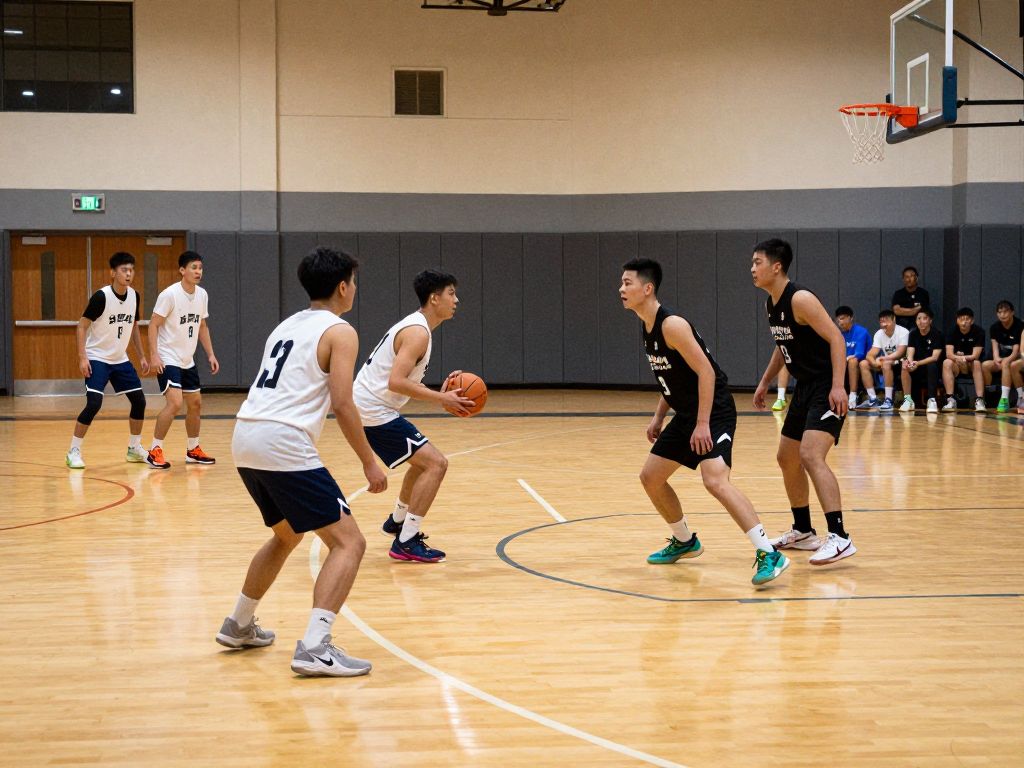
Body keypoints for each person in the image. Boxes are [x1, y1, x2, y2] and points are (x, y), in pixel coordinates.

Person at [216, 246, 388, 678]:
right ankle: (315, 647)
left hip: (246, 435)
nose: (355, 289)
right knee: (349, 543)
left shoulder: (286, 325)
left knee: (287, 534)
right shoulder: (341, 331)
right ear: (343, 286)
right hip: (283, 441)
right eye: (354, 282)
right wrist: (369, 461)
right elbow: (343, 403)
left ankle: (238, 623)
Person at [619, 259, 788, 585]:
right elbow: (672, 378)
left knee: (715, 480)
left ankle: (769, 553)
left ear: (647, 288)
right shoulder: (646, 325)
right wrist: (659, 416)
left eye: (628, 283)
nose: (621, 289)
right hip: (688, 414)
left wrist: (702, 424)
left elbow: (706, 373)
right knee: (651, 477)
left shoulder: (672, 325)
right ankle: (685, 541)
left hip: (714, 411)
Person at [353, 269, 476, 564]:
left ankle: (397, 521)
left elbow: (400, 380)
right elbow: (396, 381)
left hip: (371, 406)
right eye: (451, 293)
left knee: (422, 462)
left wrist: (442, 392)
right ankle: (406, 542)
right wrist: (442, 399)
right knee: (436, 464)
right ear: (434, 298)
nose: (456, 300)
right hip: (372, 410)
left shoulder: (418, 328)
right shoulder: (418, 333)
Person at [751, 238, 856, 566]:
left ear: (776, 266)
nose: (752, 269)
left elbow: (836, 338)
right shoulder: (771, 303)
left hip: (827, 384)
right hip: (805, 386)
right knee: (787, 457)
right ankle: (804, 531)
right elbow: (782, 345)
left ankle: (839, 536)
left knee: (811, 454)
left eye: (757, 262)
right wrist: (766, 381)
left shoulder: (800, 298)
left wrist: (838, 386)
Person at [65, 252, 150, 469]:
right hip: (97, 358)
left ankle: (134, 448)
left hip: (120, 359)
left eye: (131, 270)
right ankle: (73, 450)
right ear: (113, 273)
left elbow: (134, 327)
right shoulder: (101, 297)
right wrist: (82, 357)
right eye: (124, 270)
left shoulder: (134, 296)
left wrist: (141, 355)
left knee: (139, 401)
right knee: (94, 403)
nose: (129, 273)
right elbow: (81, 326)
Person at [146, 250, 219, 469]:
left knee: (195, 403)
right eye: (194, 267)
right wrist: (154, 355)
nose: (198, 271)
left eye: (200, 268)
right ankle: (155, 450)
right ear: (182, 270)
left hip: (187, 359)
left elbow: (202, 326)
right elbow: (153, 325)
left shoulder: (202, 295)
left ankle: (193, 450)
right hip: (168, 357)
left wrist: (210, 354)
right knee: (175, 403)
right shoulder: (169, 295)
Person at [857, 309, 909, 411]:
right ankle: (873, 399)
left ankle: (888, 400)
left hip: (901, 363)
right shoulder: (879, 333)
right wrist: (874, 362)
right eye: (881, 322)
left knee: (886, 363)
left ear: (894, 319)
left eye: (886, 321)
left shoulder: (903, 332)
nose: (883, 324)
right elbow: (870, 354)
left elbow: (900, 353)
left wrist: (884, 359)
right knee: (863, 363)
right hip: (886, 363)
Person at [981, 300, 1024, 413]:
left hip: (1016, 358)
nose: (1002, 315)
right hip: (1002, 358)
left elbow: (1016, 352)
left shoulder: (1019, 326)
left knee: (1006, 364)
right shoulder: (994, 328)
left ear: (1012, 312)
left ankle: (1004, 399)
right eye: (1000, 312)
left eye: (1005, 312)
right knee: (985, 365)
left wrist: (1005, 361)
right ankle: (989, 397)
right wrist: (996, 358)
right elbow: (995, 347)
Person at [899, 308, 944, 413]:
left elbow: (934, 357)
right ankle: (908, 400)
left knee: (931, 365)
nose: (921, 321)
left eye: (924, 318)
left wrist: (918, 363)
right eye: (919, 318)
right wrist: (910, 362)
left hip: (933, 368)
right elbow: (910, 352)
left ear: (930, 320)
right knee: (904, 365)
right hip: (917, 366)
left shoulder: (937, 334)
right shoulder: (913, 333)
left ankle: (931, 400)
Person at [941, 307, 986, 412]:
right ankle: (950, 400)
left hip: (971, 364)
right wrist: (958, 358)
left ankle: (980, 400)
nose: (964, 322)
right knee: (946, 362)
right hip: (956, 363)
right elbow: (949, 354)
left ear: (972, 321)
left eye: (967, 319)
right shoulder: (952, 331)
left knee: (977, 363)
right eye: (961, 319)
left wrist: (963, 358)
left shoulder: (979, 332)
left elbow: (976, 355)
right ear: (957, 320)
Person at [835, 305, 871, 410]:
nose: (839, 322)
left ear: (850, 318)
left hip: (863, 364)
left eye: (842, 318)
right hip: (846, 364)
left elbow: (860, 353)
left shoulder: (861, 331)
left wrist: (845, 359)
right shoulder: (840, 334)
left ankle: (852, 396)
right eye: (838, 320)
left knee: (853, 361)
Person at [891, 265, 931, 331]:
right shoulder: (898, 294)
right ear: (903, 279)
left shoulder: (923, 293)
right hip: (901, 326)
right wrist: (913, 310)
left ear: (916, 278)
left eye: (911, 276)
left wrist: (903, 310)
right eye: (906, 277)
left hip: (917, 326)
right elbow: (896, 311)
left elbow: (923, 311)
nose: (909, 279)